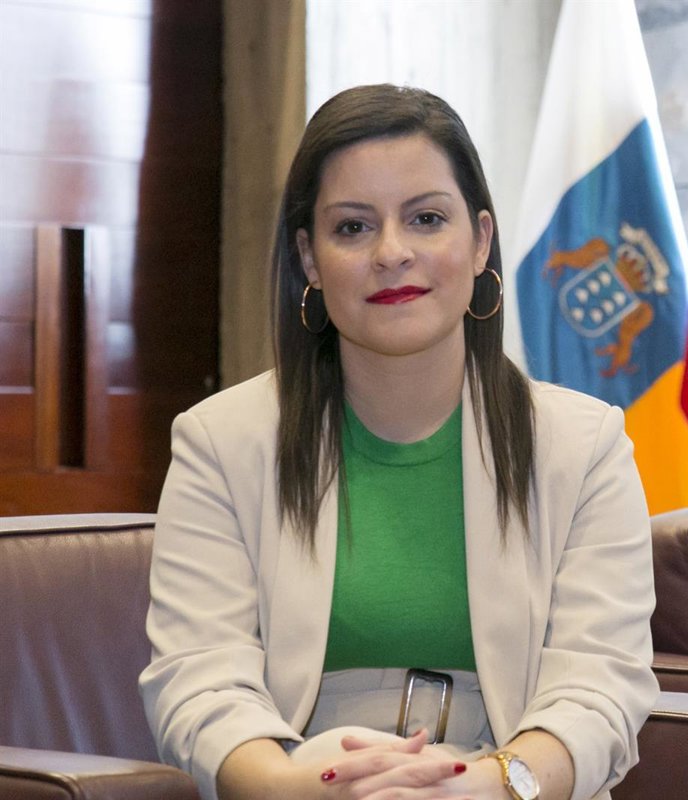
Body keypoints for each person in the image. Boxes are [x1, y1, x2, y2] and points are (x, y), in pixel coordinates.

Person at [139, 83, 658, 800]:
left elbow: (601, 688)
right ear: (310, 258)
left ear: (480, 241)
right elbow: (200, 684)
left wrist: (485, 787)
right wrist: (299, 790)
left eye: (426, 219)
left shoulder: (584, 448)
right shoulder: (220, 445)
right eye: (353, 228)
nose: (391, 253)